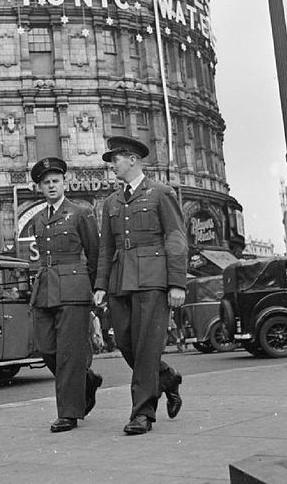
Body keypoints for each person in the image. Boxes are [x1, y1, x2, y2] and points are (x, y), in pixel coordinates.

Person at [93, 136, 188, 435]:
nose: (112, 165)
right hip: (121, 281)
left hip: (153, 279)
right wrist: (100, 285)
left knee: (147, 347)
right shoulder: (111, 201)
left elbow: (176, 239)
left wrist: (177, 283)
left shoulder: (161, 193)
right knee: (126, 343)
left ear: (133, 159)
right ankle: (167, 378)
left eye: (116, 159)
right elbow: (106, 249)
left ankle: (143, 413)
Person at [29, 156, 103, 433]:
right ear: (39, 187)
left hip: (74, 288)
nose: (51, 186)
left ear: (64, 183)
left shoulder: (80, 212)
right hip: (46, 289)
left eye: (55, 181)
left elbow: (94, 254)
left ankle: (69, 414)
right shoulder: (38, 220)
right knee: (47, 348)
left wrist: (97, 288)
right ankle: (86, 380)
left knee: (69, 354)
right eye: (45, 183)